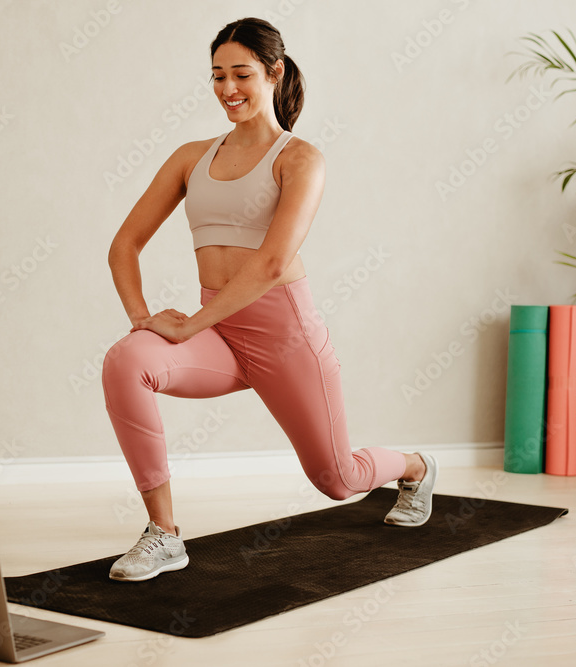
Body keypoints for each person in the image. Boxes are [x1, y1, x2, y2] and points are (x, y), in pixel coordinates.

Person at [102, 17, 438, 582]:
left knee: (338, 480)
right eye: (216, 76)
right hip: (219, 332)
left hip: (285, 333)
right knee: (127, 360)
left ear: (274, 73)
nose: (227, 88)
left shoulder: (300, 159)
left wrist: (190, 325)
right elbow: (124, 244)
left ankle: (415, 466)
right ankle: (164, 534)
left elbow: (273, 262)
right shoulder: (191, 157)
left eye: (241, 74)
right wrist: (144, 320)